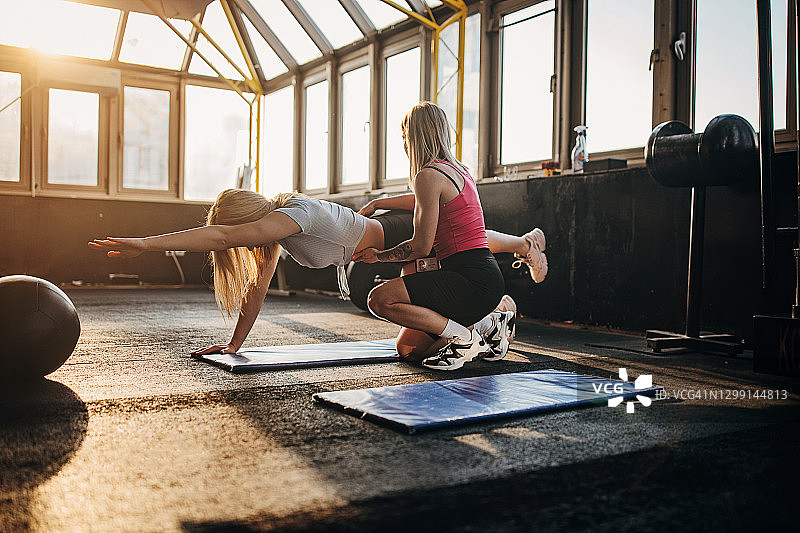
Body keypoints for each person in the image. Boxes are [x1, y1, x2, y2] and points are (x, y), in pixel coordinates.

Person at [352, 101, 535, 370]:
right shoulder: (458, 170)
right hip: (484, 280)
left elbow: (420, 247)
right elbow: (423, 200)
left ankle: (464, 338)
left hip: (467, 283)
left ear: (415, 138)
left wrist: (377, 257)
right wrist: (380, 203)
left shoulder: (427, 175)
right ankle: (490, 324)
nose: (404, 145)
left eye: (405, 137)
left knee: (378, 299)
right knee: (408, 350)